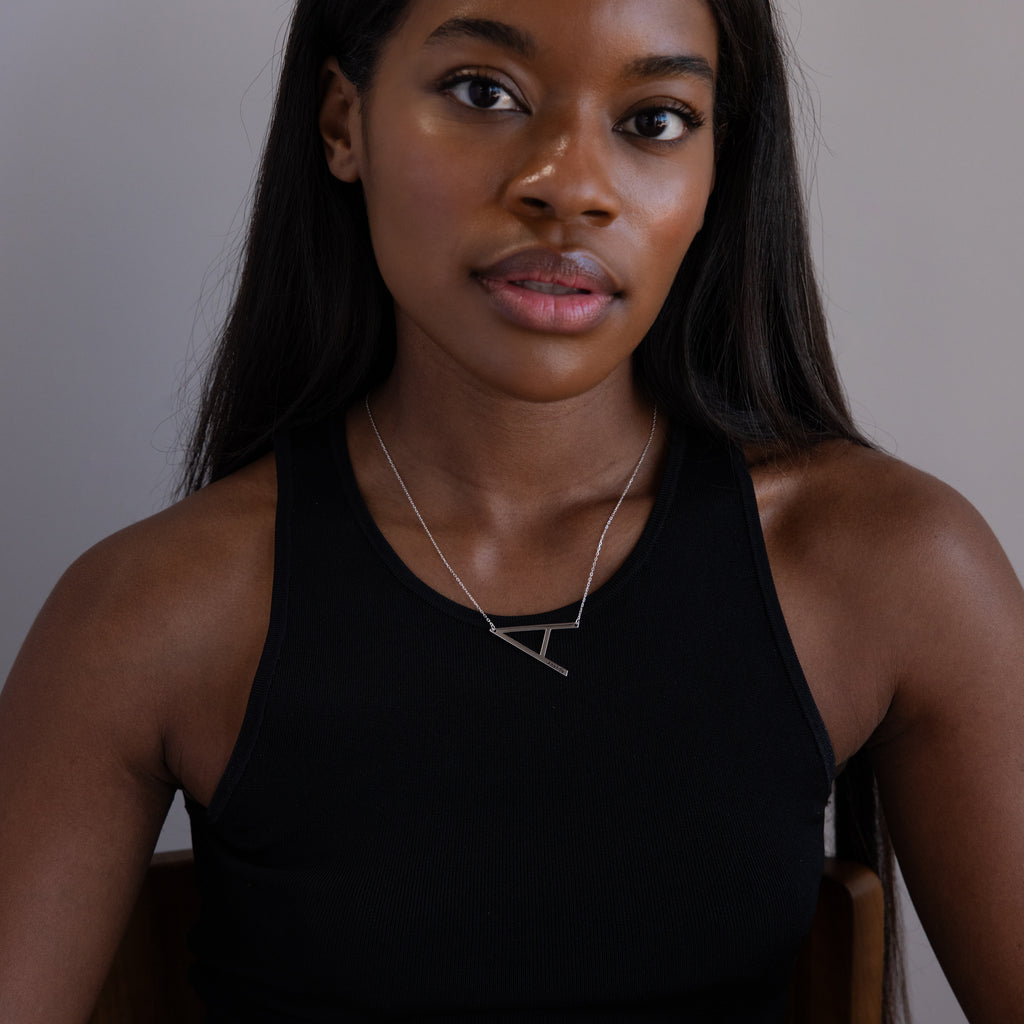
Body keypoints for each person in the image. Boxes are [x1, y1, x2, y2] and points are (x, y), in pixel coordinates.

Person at [1, 0, 1022, 1021]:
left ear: (720, 162)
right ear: (343, 123)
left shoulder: (887, 569)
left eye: (655, 119)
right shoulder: (150, 615)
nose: (570, 187)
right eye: (484, 92)